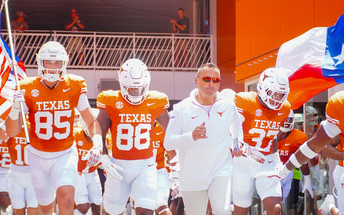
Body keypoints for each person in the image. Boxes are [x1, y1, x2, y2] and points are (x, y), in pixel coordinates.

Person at [5, 41, 101, 215]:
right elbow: (11, 131)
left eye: (57, 63)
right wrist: (15, 107)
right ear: (40, 63)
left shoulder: (74, 84)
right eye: (48, 62)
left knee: (66, 199)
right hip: (37, 155)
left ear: (64, 64)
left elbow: (91, 121)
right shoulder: (27, 87)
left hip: (65, 153)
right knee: (46, 207)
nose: (52, 67)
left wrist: (98, 145)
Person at [278, 57, 344, 214]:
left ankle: (331, 207)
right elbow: (314, 145)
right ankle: (331, 207)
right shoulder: (342, 106)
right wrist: (285, 170)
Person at [164, 63, 241, 215]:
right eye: (206, 79)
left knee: (223, 211)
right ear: (196, 80)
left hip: (221, 169)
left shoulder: (228, 105)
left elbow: (237, 126)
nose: (211, 84)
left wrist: (238, 145)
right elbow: (168, 142)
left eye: (216, 80)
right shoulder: (181, 108)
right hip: (192, 175)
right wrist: (190, 136)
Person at [96, 58, 170, 215]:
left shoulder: (156, 101)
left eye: (140, 88)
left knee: (145, 211)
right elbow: (98, 131)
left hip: (145, 165)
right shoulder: (110, 100)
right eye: (131, 89)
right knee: (112, 212)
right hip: (118, 166)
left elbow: (171, 131)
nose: (136, 92)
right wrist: (103, 157)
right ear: (122, 85)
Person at [232, 67, 291, 215]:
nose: (277, 98)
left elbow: (272, 137)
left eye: (281, 95)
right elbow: (234, 127)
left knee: (275, 209)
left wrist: (277, 161)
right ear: (263, 88)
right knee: (240, 211)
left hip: (266, 161)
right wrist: (238, 144)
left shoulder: (284, 109)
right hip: (243, 162)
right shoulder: (245, 101)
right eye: (274, 93)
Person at [276, 110, 310, 214]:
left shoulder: (299, 137)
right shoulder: (270, 132)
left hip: (288, 173)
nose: (286, 122)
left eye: (289, 119)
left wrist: (307, 179)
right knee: (273, 203)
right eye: (284, 119)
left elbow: (303, 160)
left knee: (287, 204)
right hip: (269, 170)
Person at [1, 121, 38, 215]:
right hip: (25, 172)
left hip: (21, 173)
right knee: (25, 207)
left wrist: (7, 120)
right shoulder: (36, 129)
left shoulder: (12, 129)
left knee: (26, 207)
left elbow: (0, 134)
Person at [74, 111, 102, 215]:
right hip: (78, 173)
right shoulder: (75, 134)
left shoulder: (103, 138)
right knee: (83, 207)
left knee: (97, 206)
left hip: (92, 173)